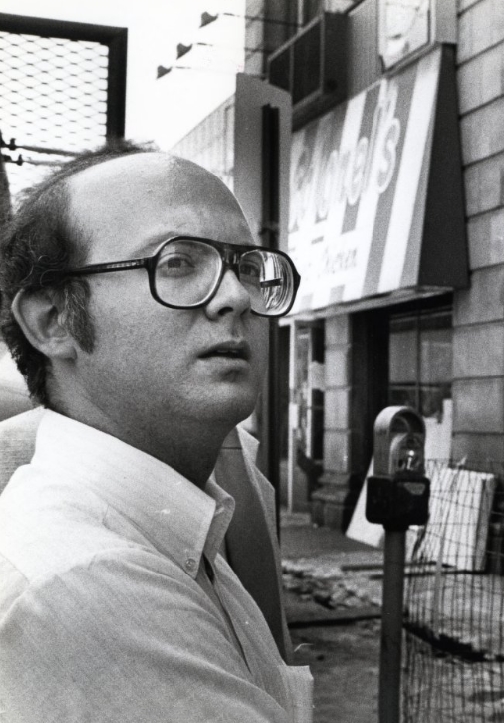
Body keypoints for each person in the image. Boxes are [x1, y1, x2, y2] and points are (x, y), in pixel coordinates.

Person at [0, 144, 312, 721]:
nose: (237, 297)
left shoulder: (186, 532)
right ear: (52, 320)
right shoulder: (85, 583)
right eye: (176, 263)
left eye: (246, 266)